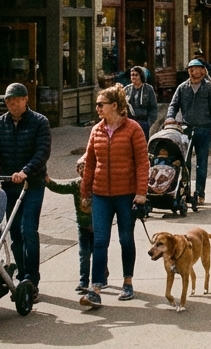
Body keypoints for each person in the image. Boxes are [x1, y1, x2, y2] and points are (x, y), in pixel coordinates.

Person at [79, 85, 149, 308]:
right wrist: (85, 192)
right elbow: (90, 162)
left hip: (126, 194)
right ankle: (95, 288)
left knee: (125, 239)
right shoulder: (96, 130)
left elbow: (142, 163)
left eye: (101, 104)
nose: (97, 108)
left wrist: (141, 193)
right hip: (101, 194)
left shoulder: (133, 129)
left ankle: (127, 282)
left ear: (115, 106)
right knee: (99, 241)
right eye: (97, 104)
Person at [0, 82, 50, 291]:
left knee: (28, 230)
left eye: (17, 100)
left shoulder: (40, 122)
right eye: (9, 101)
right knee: (14, 233)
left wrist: (26, 171)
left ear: (25, 100)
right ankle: (21, 273)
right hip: (11, 185)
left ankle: (32, 279)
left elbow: (42, 151)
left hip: (33, 183)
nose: (13, 104)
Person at [47, 157, 105, 294]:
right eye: (80, 168)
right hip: (83, 225)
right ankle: (84, 280)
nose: (83, 170)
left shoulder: (99, 185)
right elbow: (60, 188)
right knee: (84, 253)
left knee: (98, 252)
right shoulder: (76, 184)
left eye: (86, 167)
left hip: (98, 225)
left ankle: (102, 276)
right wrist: (48, 182)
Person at [166, 59, 211, 205]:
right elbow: (173, 105)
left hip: (203, 129)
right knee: (185, 163)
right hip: (186, 129)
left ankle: (200, 193)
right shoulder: (182, 87)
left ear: (203, 70)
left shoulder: (209, 87)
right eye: (190, 69)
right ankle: (186, 191)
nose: (192, 72)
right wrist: (170, 117)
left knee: (201, 163)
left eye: (196, 69)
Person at [124, 66, 158, 137]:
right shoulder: (126, 90)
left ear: (141, 76)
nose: (134, 77)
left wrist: (149, 122)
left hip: (143, 122)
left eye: (136, 75)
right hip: (129, 122)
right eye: (132, 75)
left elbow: (154, 107)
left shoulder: (149, 89)